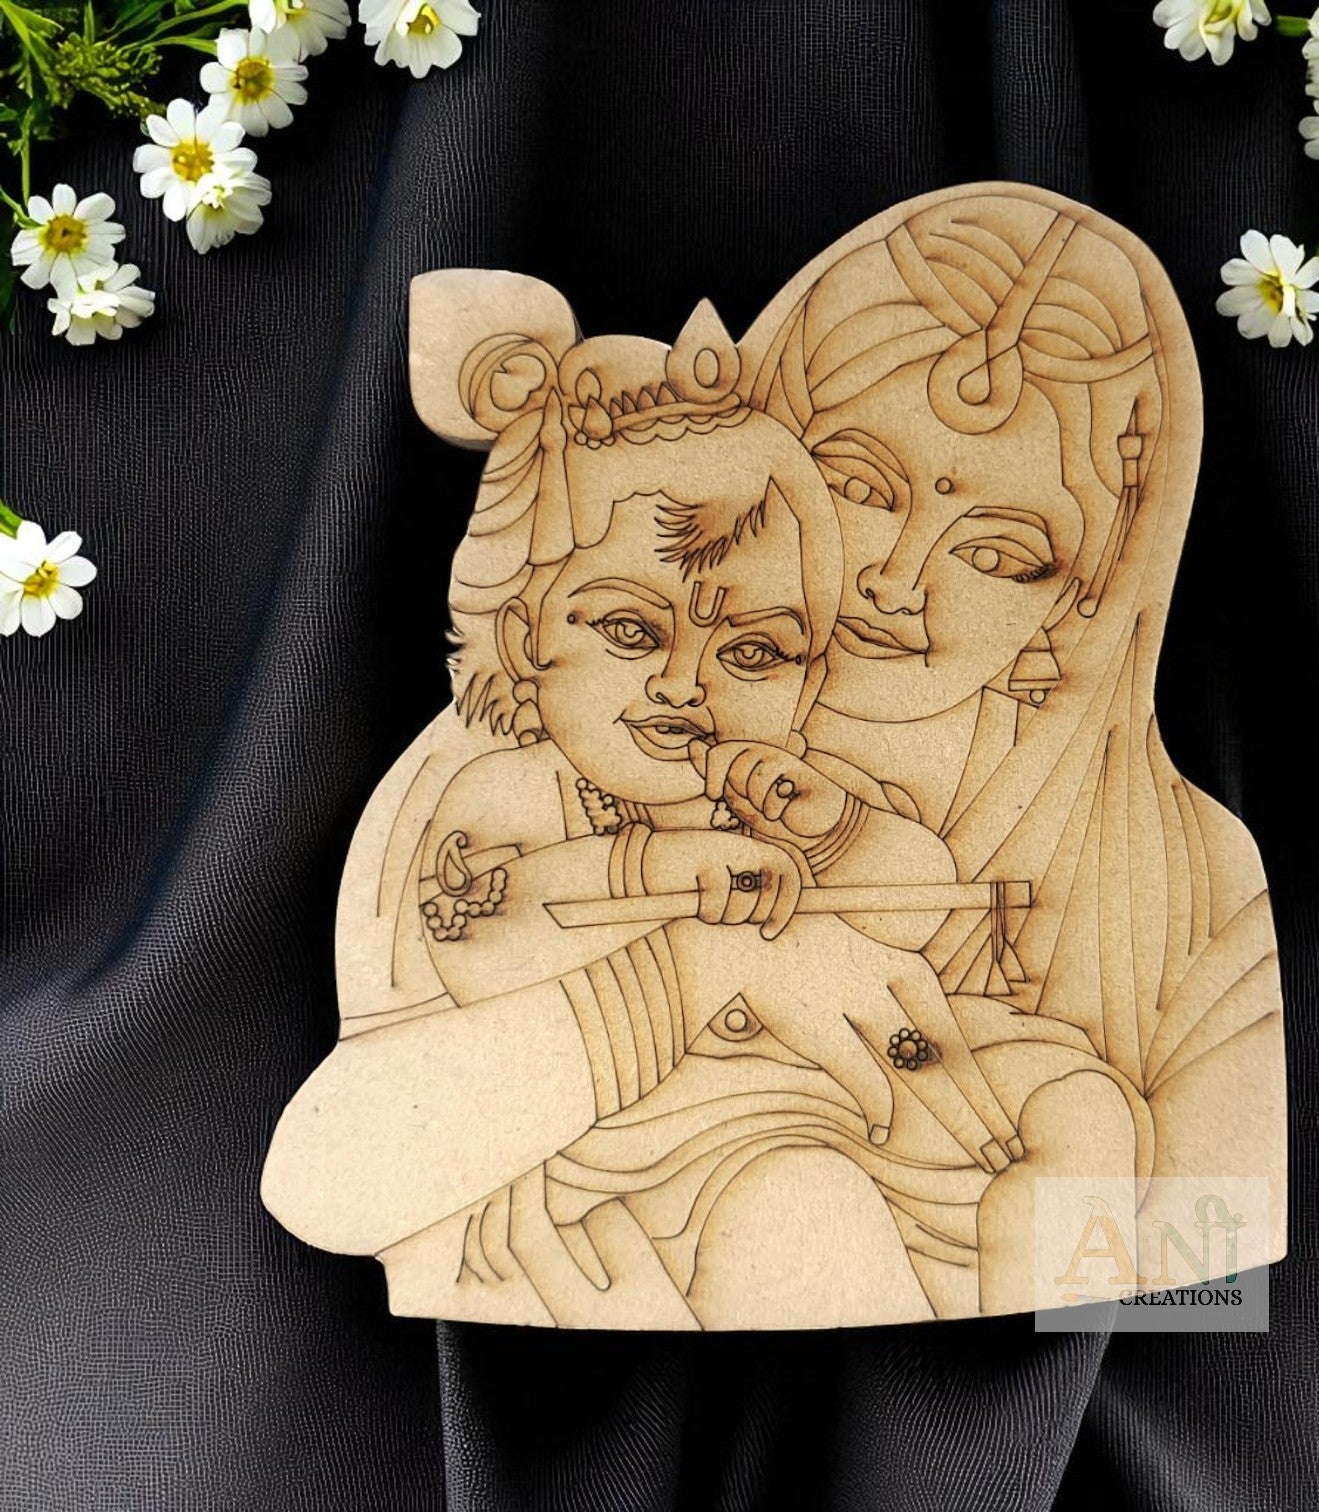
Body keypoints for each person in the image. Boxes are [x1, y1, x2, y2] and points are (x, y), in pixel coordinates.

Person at [262, 285, 1018, 1328]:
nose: (684, 684)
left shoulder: (776, 790)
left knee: (1055, 1115)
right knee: (795, 1203)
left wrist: (839, 827)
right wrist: (660, 879)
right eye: (630, 631)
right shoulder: (508, 788)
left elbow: (926, 901)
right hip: (618, 1157)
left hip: (818, 1108)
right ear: (525, 637)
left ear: (810, 681)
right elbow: (480, 937)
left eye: (754, 654)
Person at [734, 184, 1287, 1311]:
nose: (897, 581)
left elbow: (1191, 1287)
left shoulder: (1190, 884)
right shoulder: (597, 758)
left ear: (1084, 594)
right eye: (859, 488)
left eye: (996, 553)